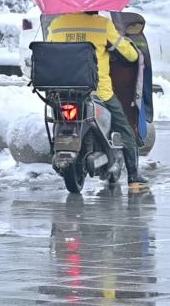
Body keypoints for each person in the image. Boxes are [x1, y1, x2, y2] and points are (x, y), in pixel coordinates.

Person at [47, 11, 148, 188]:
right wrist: (131, 47)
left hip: (62, 92)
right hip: (98, 92)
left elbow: (49, 53)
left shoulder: (57, 25)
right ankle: (133, 175)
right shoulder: (102, 25)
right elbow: (130, 55)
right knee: (125, 129)